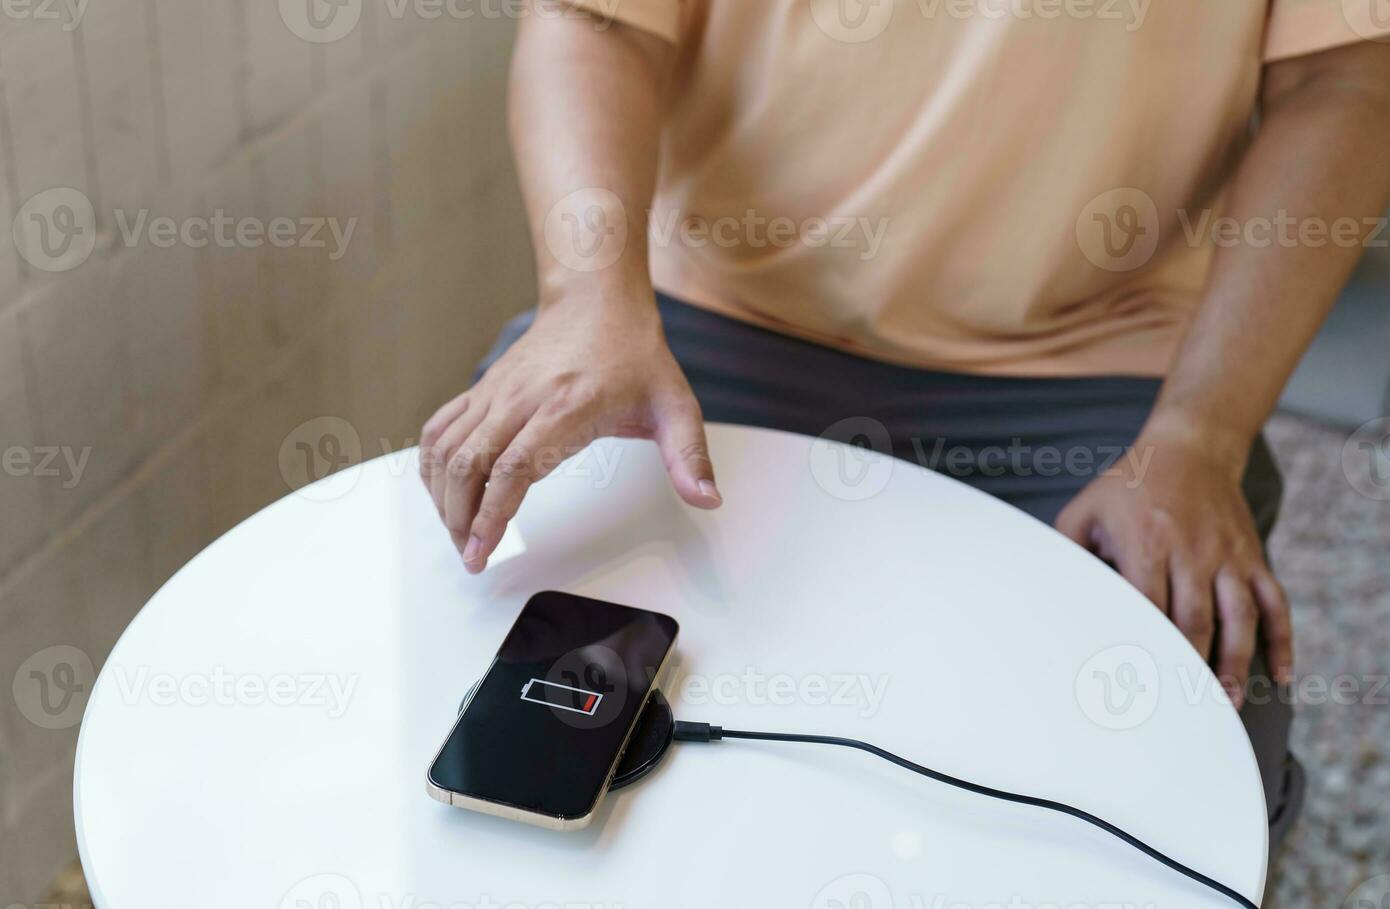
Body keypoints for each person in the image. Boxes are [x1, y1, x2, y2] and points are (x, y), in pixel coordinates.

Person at [418, 0, 1390, 850]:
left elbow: (1343, 82)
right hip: (707, 318)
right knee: (495, 670)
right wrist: (588, 299)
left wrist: (1200, 432)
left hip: (1102, 357)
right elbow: (597, 18)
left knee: (1194, 766)